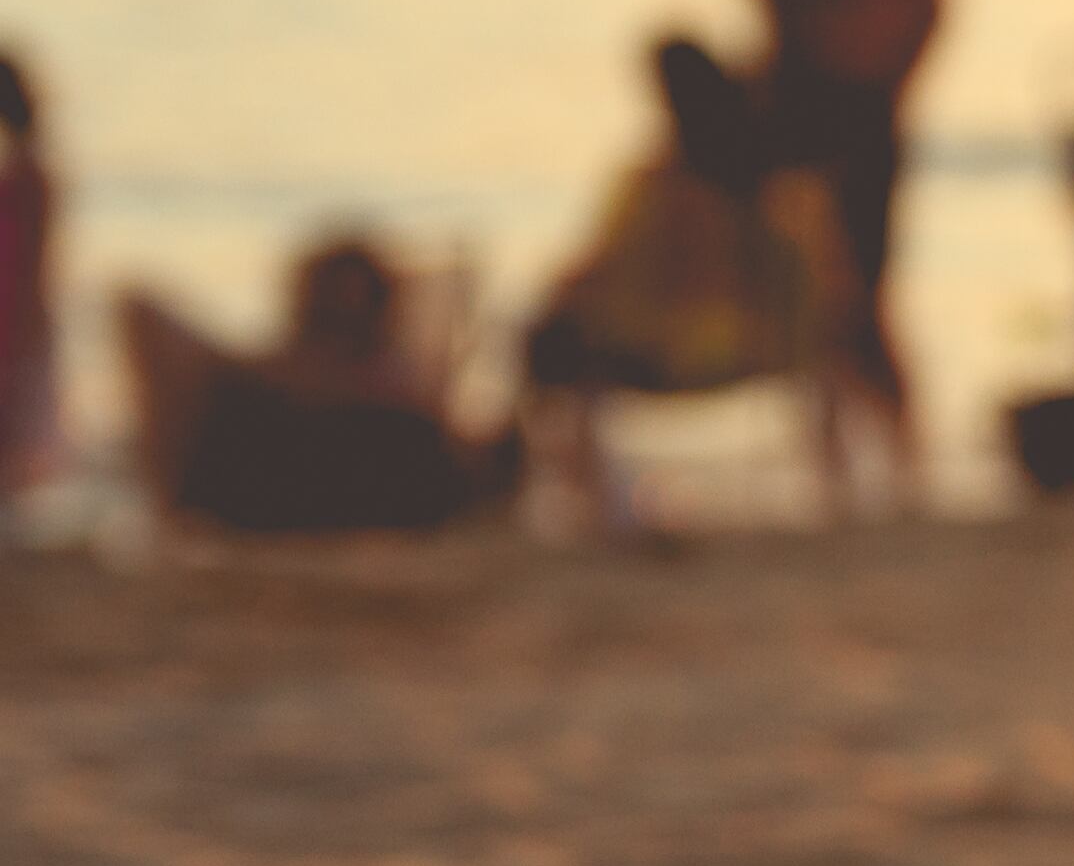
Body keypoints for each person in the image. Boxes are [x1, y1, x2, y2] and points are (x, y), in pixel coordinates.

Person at [517, 35, 855, 537]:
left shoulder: (655, 187)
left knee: (548, 341)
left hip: (665, 355)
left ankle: (578, 498)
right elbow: (823, 291)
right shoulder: (780, 196)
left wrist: (561, 298)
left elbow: (596, 269)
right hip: (770, 350)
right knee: (564, 339)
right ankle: (843, 491)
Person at [751, 0, 942, 508]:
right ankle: (830, 467)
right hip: (798, 106)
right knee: (805, 293)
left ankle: (904, 461)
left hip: (858, 108)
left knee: (863, 286)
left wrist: (884, 81)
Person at [121, 235, 512, 537]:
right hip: (285, 495)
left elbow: (138, 310)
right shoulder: (251, 399)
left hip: (277, 503)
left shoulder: (245, 396)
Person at [0, 53, 55, 502]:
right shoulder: (27, 169)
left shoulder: (29, 174)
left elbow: (32, 261)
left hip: (16, 308)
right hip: (17, 305)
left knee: (17, 426)